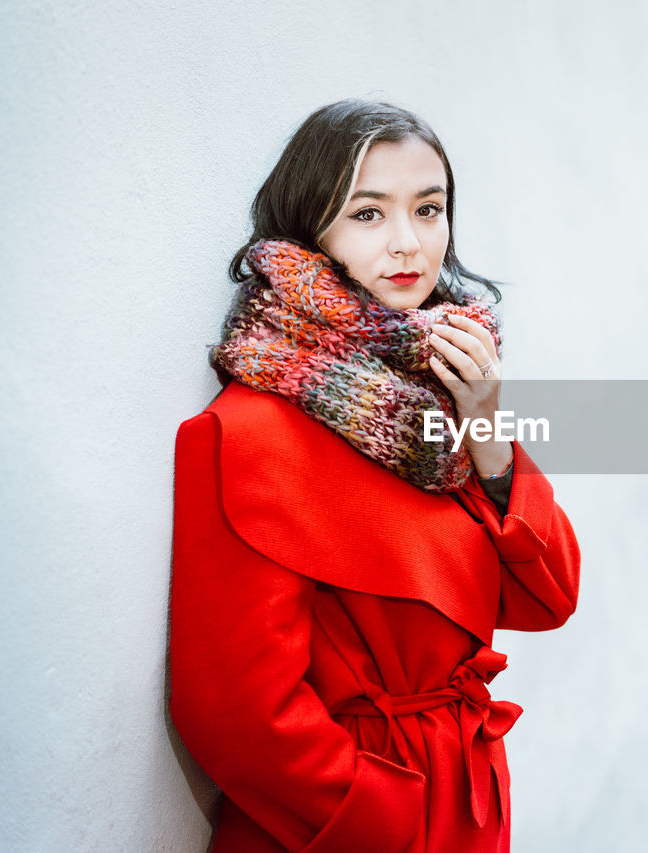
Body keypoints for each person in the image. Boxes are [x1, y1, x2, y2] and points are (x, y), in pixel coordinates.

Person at [168, 98, 581, 853]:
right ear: (309, 227)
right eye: (367, 214)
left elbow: (549, 595)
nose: (408, 243)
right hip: (342, 825)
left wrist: (487, 428)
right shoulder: (245, 430)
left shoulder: (444, 404)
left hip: (466, 810)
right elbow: (234, 708)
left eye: (429, 209)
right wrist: (387, 816)